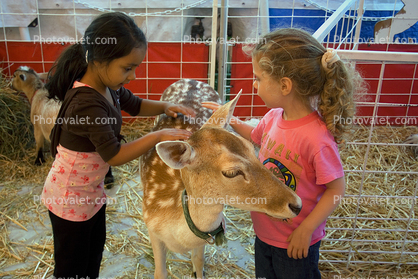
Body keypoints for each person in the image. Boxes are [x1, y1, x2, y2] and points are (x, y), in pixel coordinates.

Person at [41, 12, 194, 279]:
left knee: (93, 253)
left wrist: (165, 107)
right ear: (99, 60)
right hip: (69, 199)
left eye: (135, 67)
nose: (133, 76)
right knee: (71, 266)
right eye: (127, 67)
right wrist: (157, 136)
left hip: (91, 193)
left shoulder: (108, 86)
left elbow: (135, 105)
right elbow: (114, 155)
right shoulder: (87, 102)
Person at [203, 28, 364, 278]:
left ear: (285, 85)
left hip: (296, 241)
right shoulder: (273, 117)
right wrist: (232, 121)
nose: (253, 84)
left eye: (257, 78)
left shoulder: (316, 139)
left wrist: (307, 230)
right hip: (265, 231)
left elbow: (336, 190)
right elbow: (255, 136)